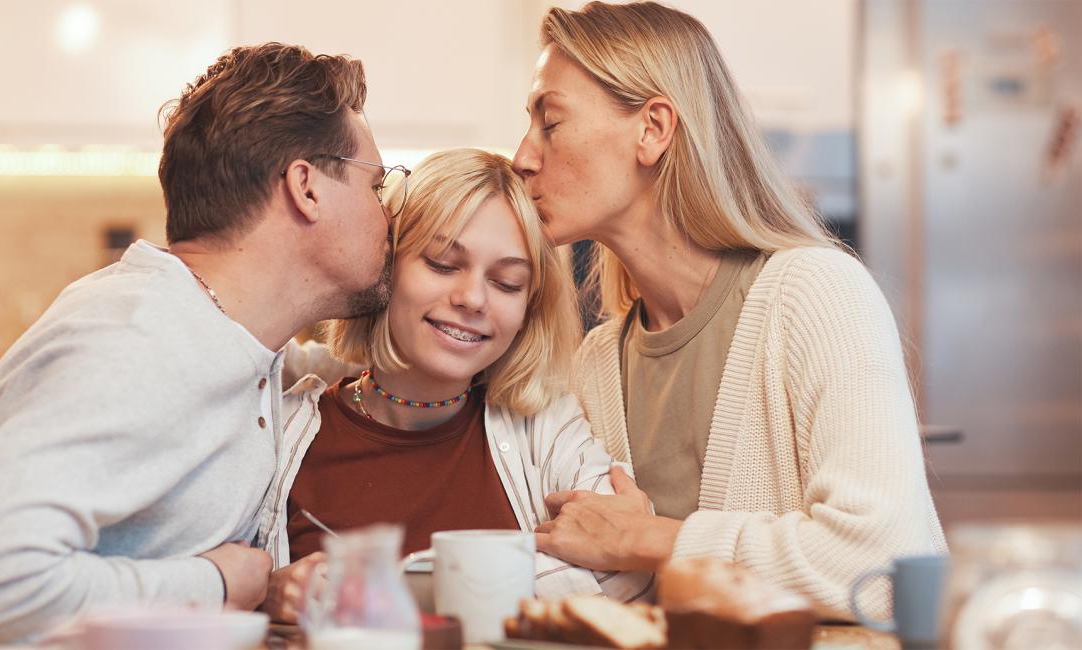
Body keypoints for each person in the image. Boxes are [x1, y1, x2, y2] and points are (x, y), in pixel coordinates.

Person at [0, 43, 397, 646]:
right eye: (375, 186)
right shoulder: (133, 344)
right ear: (307, 188)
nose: (388, 216)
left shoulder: (230, 336)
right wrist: (215, 585)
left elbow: (329, 374)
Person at [512, 1, 947, 620]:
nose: (523, 156)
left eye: (550, 122)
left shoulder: (818, 294)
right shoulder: (596, 362)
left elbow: (881, 567)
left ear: (652, 129)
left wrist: (652, 539)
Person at [260, 148, 654, 624]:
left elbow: (629, 574)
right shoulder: (279, 432)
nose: (472, 299)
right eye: (443, 264)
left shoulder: (547, 427)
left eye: (507, 283)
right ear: (384, 266)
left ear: (528, 310)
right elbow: (205, 579)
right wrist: (264, 593)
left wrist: (393, 592)